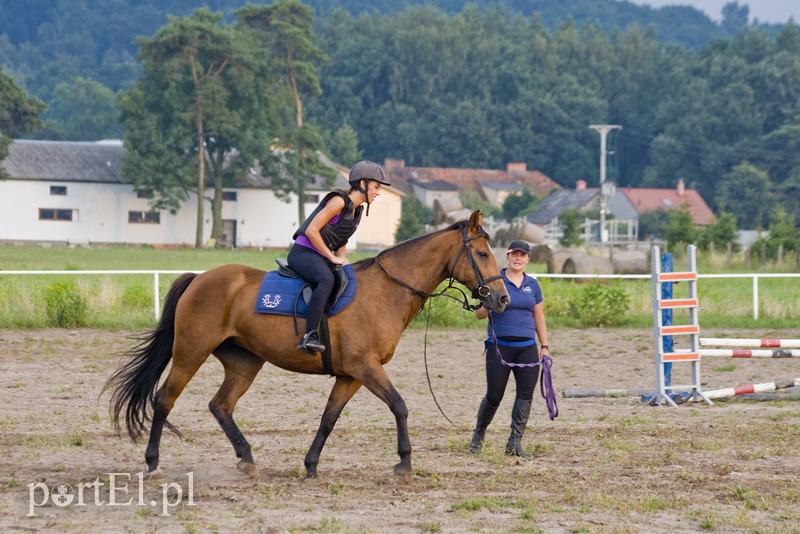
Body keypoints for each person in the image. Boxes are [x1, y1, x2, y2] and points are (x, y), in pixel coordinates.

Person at [288, 160, 390, 355]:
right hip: (303, 253)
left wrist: (341, 259)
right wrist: (332, 258)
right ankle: (309, 336)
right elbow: (311, 230)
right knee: (325, 279)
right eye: (376, 187)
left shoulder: (357, 211)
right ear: (363, 184)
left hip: (321, 256)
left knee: (343, 279)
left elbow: (342, 237)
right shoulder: (339, 201)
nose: (378, 192)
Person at [469, 240, 550, 457]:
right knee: (494, 395)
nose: (518, 258)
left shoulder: (532, 285)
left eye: (523, 255)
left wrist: (545, 346)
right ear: (507, 256)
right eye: (515, 254)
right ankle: (478, 434)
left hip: (527, 348)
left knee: (525, 395)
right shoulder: (496, 281)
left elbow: (538, 316)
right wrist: (490, 303)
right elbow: (479, 315)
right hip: (500, 347)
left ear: (527, 259)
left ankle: (514, 442)